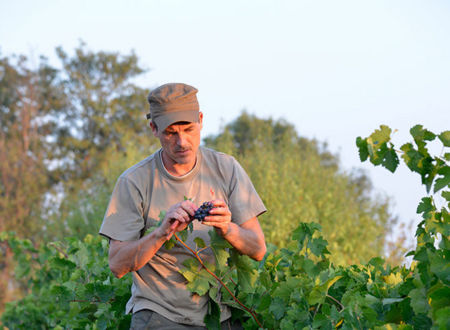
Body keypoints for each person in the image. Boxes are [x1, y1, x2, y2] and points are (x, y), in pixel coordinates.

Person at [99, 83, 267, 329]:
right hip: (158, 314)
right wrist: (161, 233)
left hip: (218, 315)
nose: (182, 141)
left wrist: (227, 228)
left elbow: (258, 249)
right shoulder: (134, 181)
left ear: (200, 120)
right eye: (170, 132)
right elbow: (117, 265)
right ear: (154, 129)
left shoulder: (226, 168)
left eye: (189, 129)